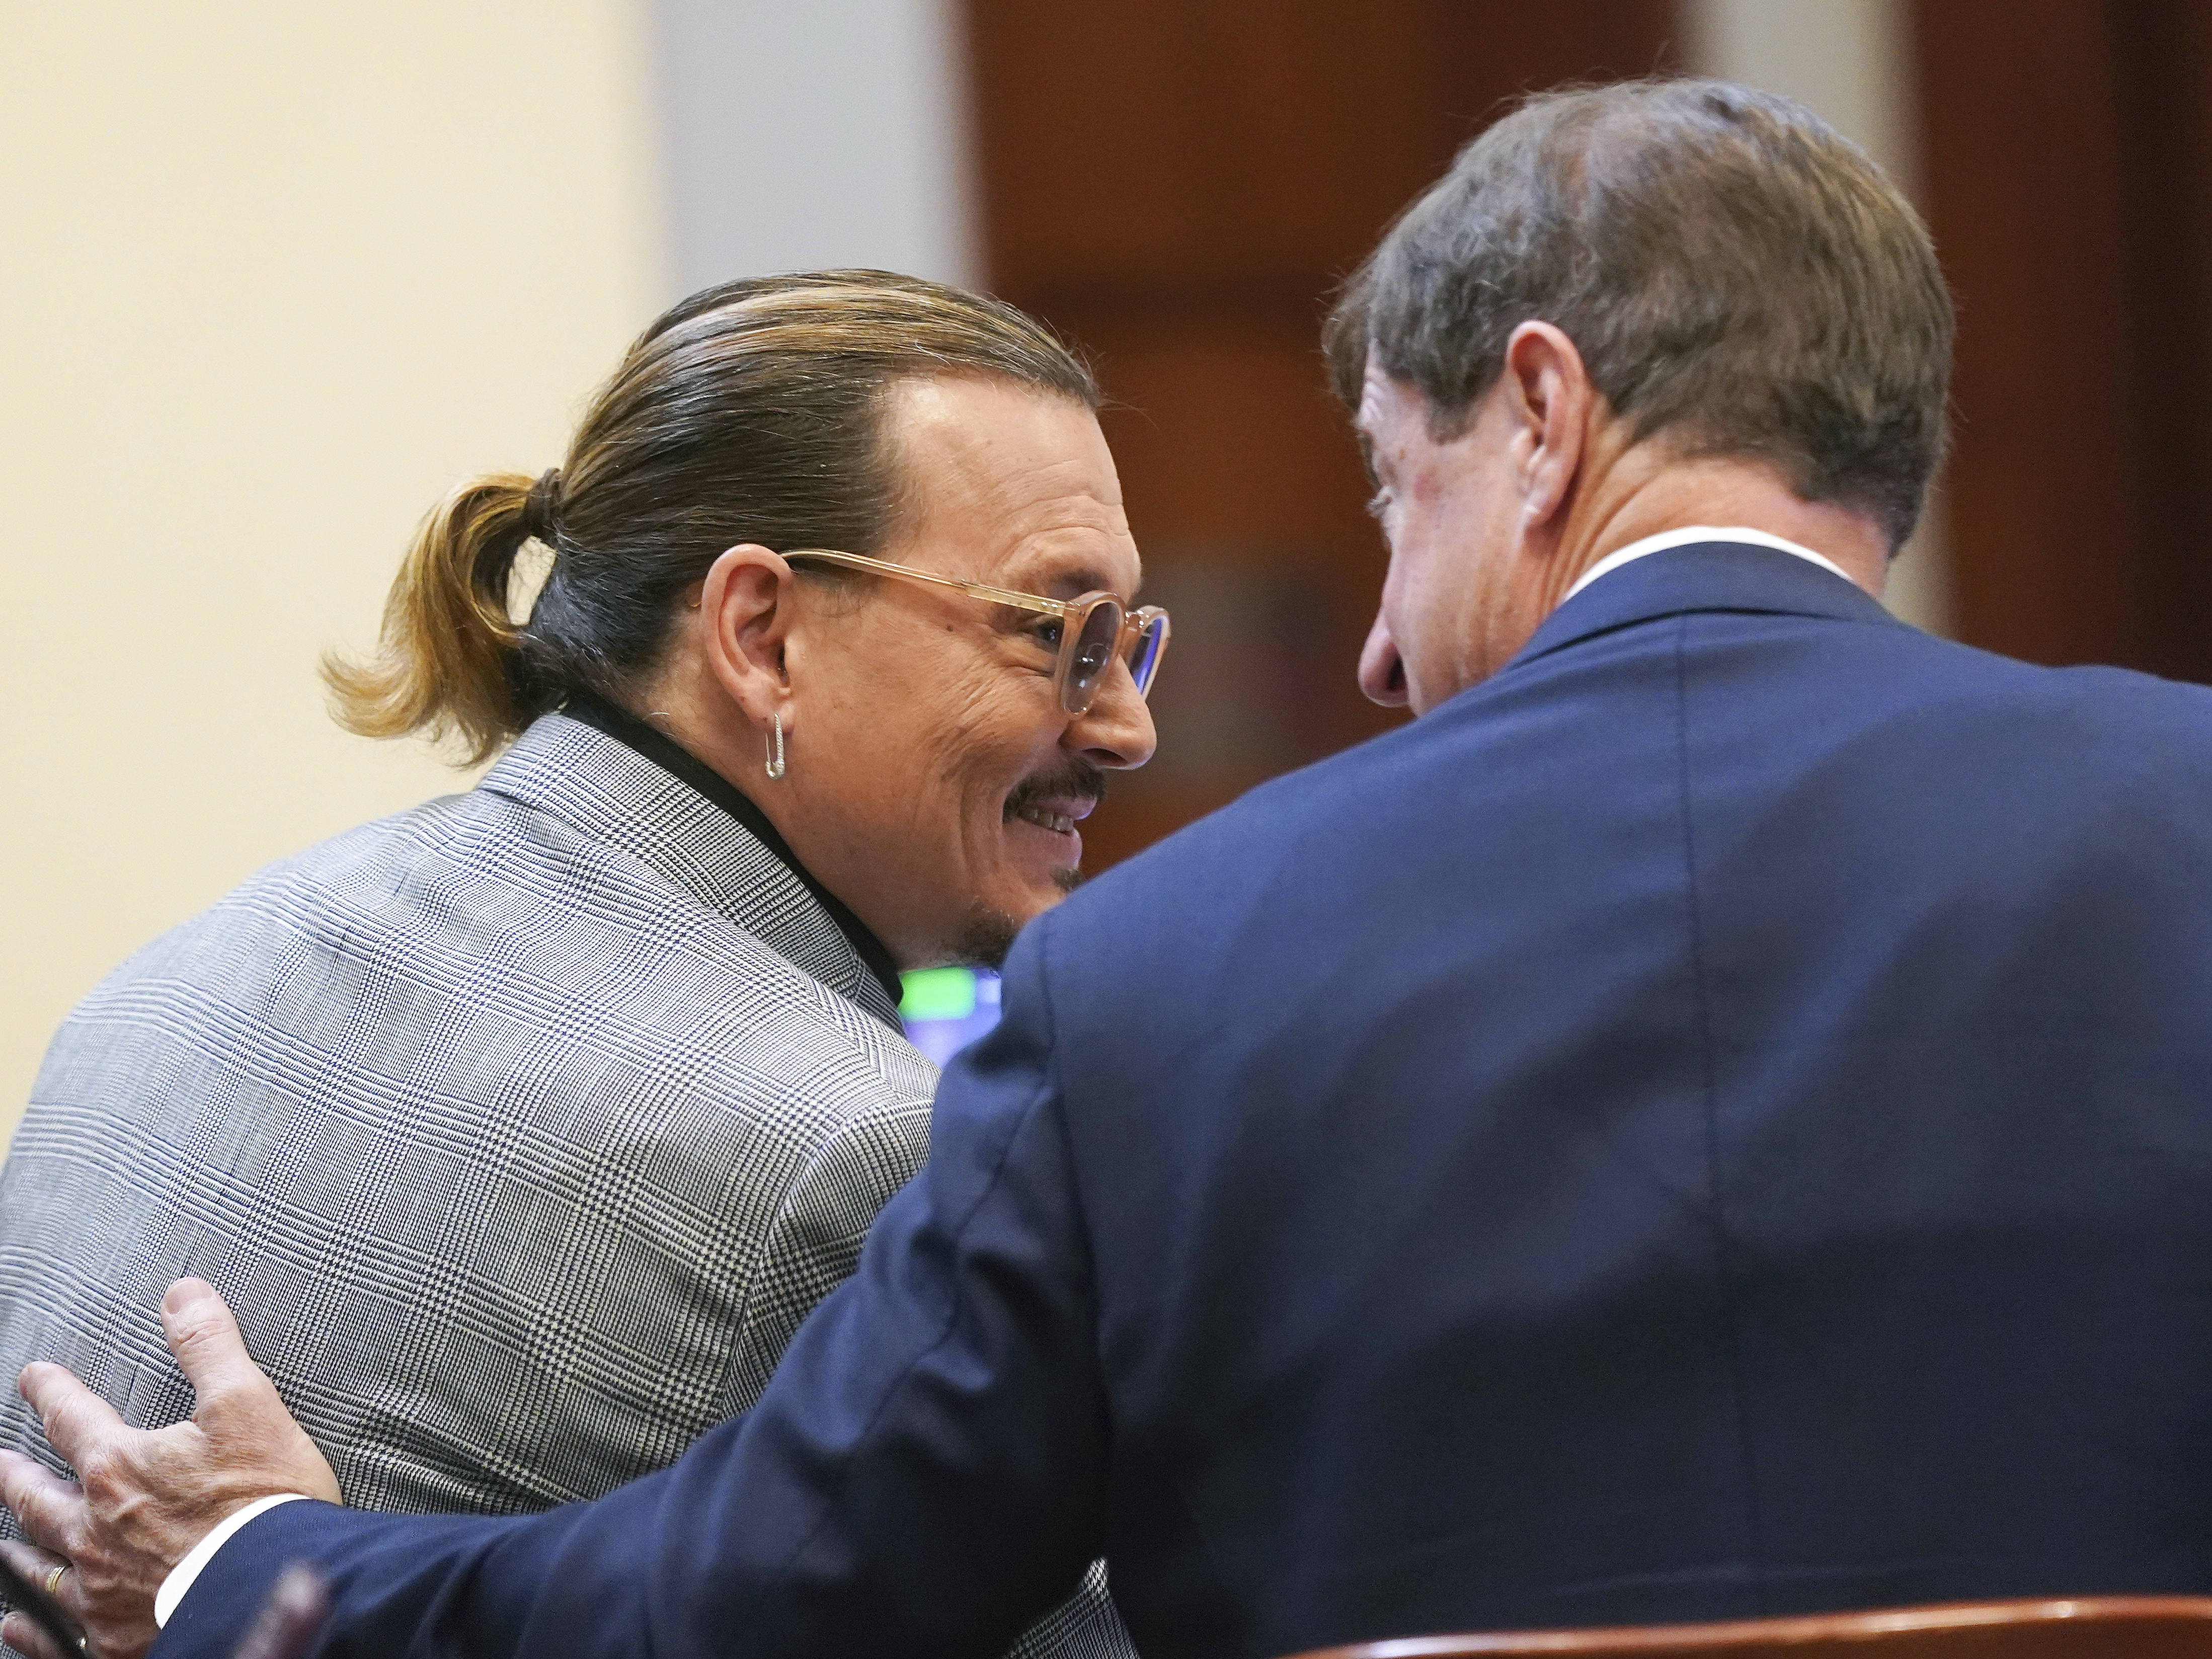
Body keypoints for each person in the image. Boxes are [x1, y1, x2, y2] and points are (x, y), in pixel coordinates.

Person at [19, 73, 2212, 1659]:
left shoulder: (1162, 974)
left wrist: (248, 1580)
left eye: (1389, 490)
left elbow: (767, 1599)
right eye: (1066, 634)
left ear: (1536, 422)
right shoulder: (2177, 816)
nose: (1361, 636)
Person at [0, 271, 1162, 1659]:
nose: (1127, 725)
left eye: (1129, 641)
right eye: (1060, 632)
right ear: (759, 636)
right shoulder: (851, 1157)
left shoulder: (164, 986)